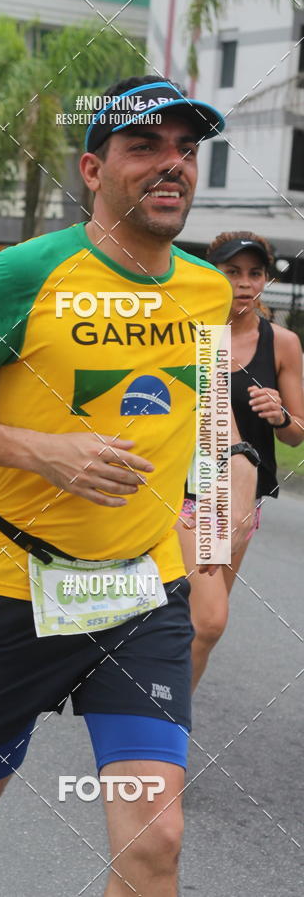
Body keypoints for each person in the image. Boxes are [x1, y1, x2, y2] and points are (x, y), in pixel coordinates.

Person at [0, 75, 257, 897]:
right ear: (92, 167)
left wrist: (216, 527)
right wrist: (42, 452)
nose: (172, 165)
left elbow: (205, 422)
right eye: (144, 146)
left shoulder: (208, 289)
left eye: (186, 149)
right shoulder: (24, 274)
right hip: (9, 586)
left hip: (141, 592)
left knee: (157, 838)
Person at [177, 232, 304, 691]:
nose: (245, 283)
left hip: (242, 502)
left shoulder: (283, 343)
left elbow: (296, 434)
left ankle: (169, 716)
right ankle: (162, 724)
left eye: (255, 273)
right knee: (207, 621)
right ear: (212, 274)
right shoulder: (189, 332)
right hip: (186, 493)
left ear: (266, 280)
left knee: (198, 630)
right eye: (232, 272)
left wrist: (281, 414)